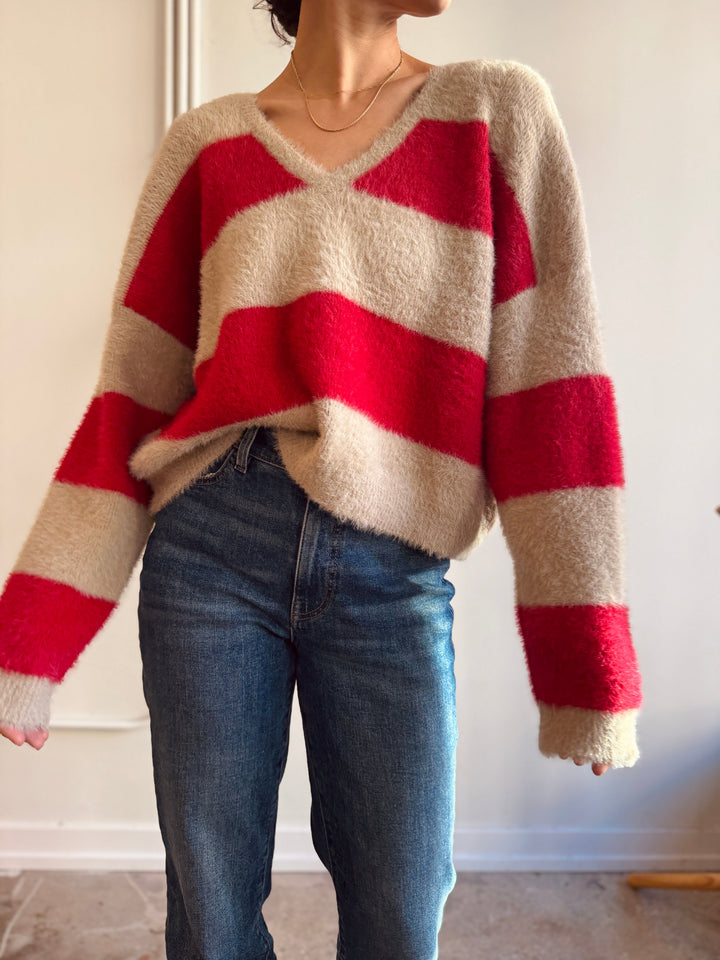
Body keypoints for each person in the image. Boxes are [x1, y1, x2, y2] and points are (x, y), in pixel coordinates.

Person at [0, 0, 643, 956]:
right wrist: (31, 641)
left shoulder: (494, 114)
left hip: (394, 568)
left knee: (402, 906)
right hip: (210, 551)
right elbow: (129, 402)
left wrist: (587, 659)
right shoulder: (207, 146)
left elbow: (552, 394)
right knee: (212, 916)